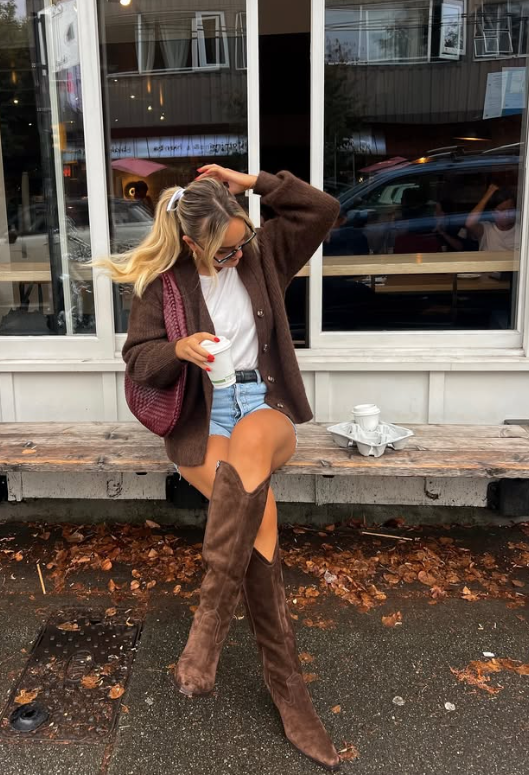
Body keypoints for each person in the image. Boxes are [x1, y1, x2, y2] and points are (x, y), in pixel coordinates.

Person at [99, 164, 342, 771]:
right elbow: (137, 360)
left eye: (243, 242)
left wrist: (255, 182)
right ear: (191, 244)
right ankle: (290, 694)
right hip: (203, 424)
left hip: (263, 407)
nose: (239, 254)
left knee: (254, 449)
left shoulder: (262, 256)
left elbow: (321, 210)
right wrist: (177, 349)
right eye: (225, 250)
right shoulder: (166, 285)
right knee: (257, 520)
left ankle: (207, 632)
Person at [466, 184, 517, 251]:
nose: (507, 214)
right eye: (502, 210)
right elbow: (469, 223)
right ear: (493, 213)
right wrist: (488, 194)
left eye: (510, 210)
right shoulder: (487, 229)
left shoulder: (523, 230)